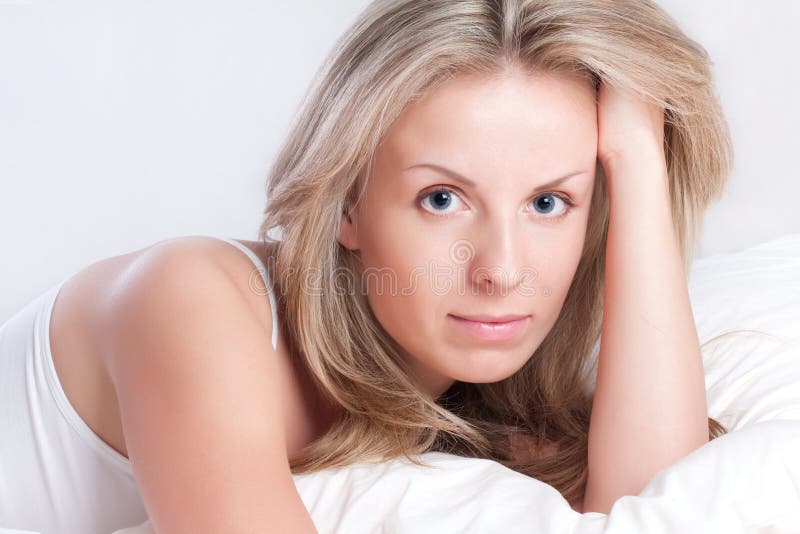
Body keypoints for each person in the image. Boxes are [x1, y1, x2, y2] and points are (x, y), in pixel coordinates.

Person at [0, 0, 738, 532]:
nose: (503, 271)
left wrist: (638, 161)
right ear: (348, 204)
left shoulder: (467, 393)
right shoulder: (191, 303)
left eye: (549, 202)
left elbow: (663, 510)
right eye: (442, 197)